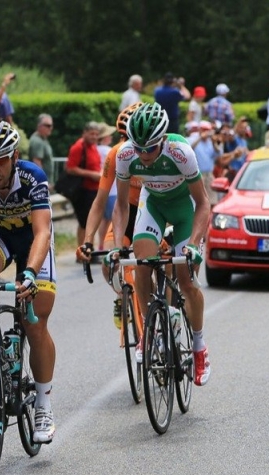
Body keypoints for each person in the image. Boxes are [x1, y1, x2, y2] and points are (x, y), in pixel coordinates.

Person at [111, 103, 212, 386]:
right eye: (139, 148)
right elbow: (120, 206)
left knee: (186, 279)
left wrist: (193, 244)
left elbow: (204, 203)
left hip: (184, 209)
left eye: (150, 149)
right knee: (142, 265)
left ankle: (200, 346)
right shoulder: (126, 154)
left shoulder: (180, 152)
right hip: (153, 204)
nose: (144, 155)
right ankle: (149, 333)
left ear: (163, 139)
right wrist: (118, 247)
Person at [0, 120, 59, 444]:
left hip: (34, 240)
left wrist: (30, 274)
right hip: (1, 235)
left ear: (14, 156)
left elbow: (42, 231)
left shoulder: (31, 176)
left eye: (0, 161)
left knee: (34, 322)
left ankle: (43, 403)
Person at [76, 103, 144, 327]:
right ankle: (120, 295)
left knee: (163, 265)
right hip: (129, 211)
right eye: (122, 137)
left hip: (156, 211)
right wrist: (87, 242)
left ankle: (169, 313)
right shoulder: (116, 154)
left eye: (131, 137)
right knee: (110, 263)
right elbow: (99, 202)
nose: (126, 144)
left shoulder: (158, 151)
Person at [64, 121, 102, 247]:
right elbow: (70, 168)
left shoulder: (93, 146)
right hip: (83, 190)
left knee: (91, 221)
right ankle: (83, 250)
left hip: (93, 189)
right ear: (84, 133)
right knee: (84, 222)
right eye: (92, 134)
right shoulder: (79, 147)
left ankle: (89, 248)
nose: (94, 137)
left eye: (96, 134)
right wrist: (91, 174)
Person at [28, 114, 55, 188]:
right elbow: (37, 163)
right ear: (39, 126)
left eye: (51, 126)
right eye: (48, 125)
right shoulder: (38, 141)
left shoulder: (43, 139)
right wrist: (44, 183)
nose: (50, 128)